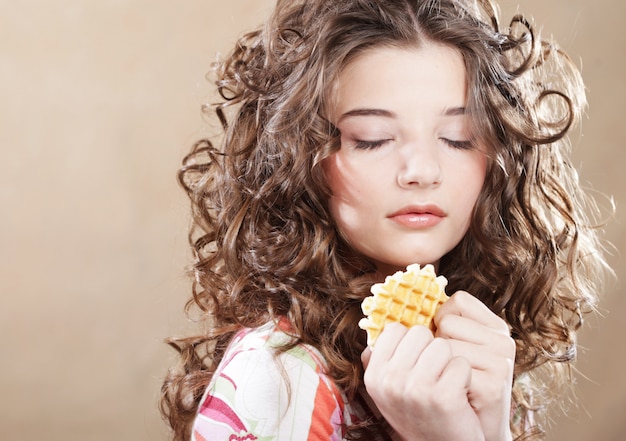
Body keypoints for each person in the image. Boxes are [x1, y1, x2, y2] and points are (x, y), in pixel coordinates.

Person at [161, 0, 611, 440]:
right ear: (300, 160)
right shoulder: (278, 380)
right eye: (372, 139)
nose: (422, 171)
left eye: (458, 138)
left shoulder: (478, 350)